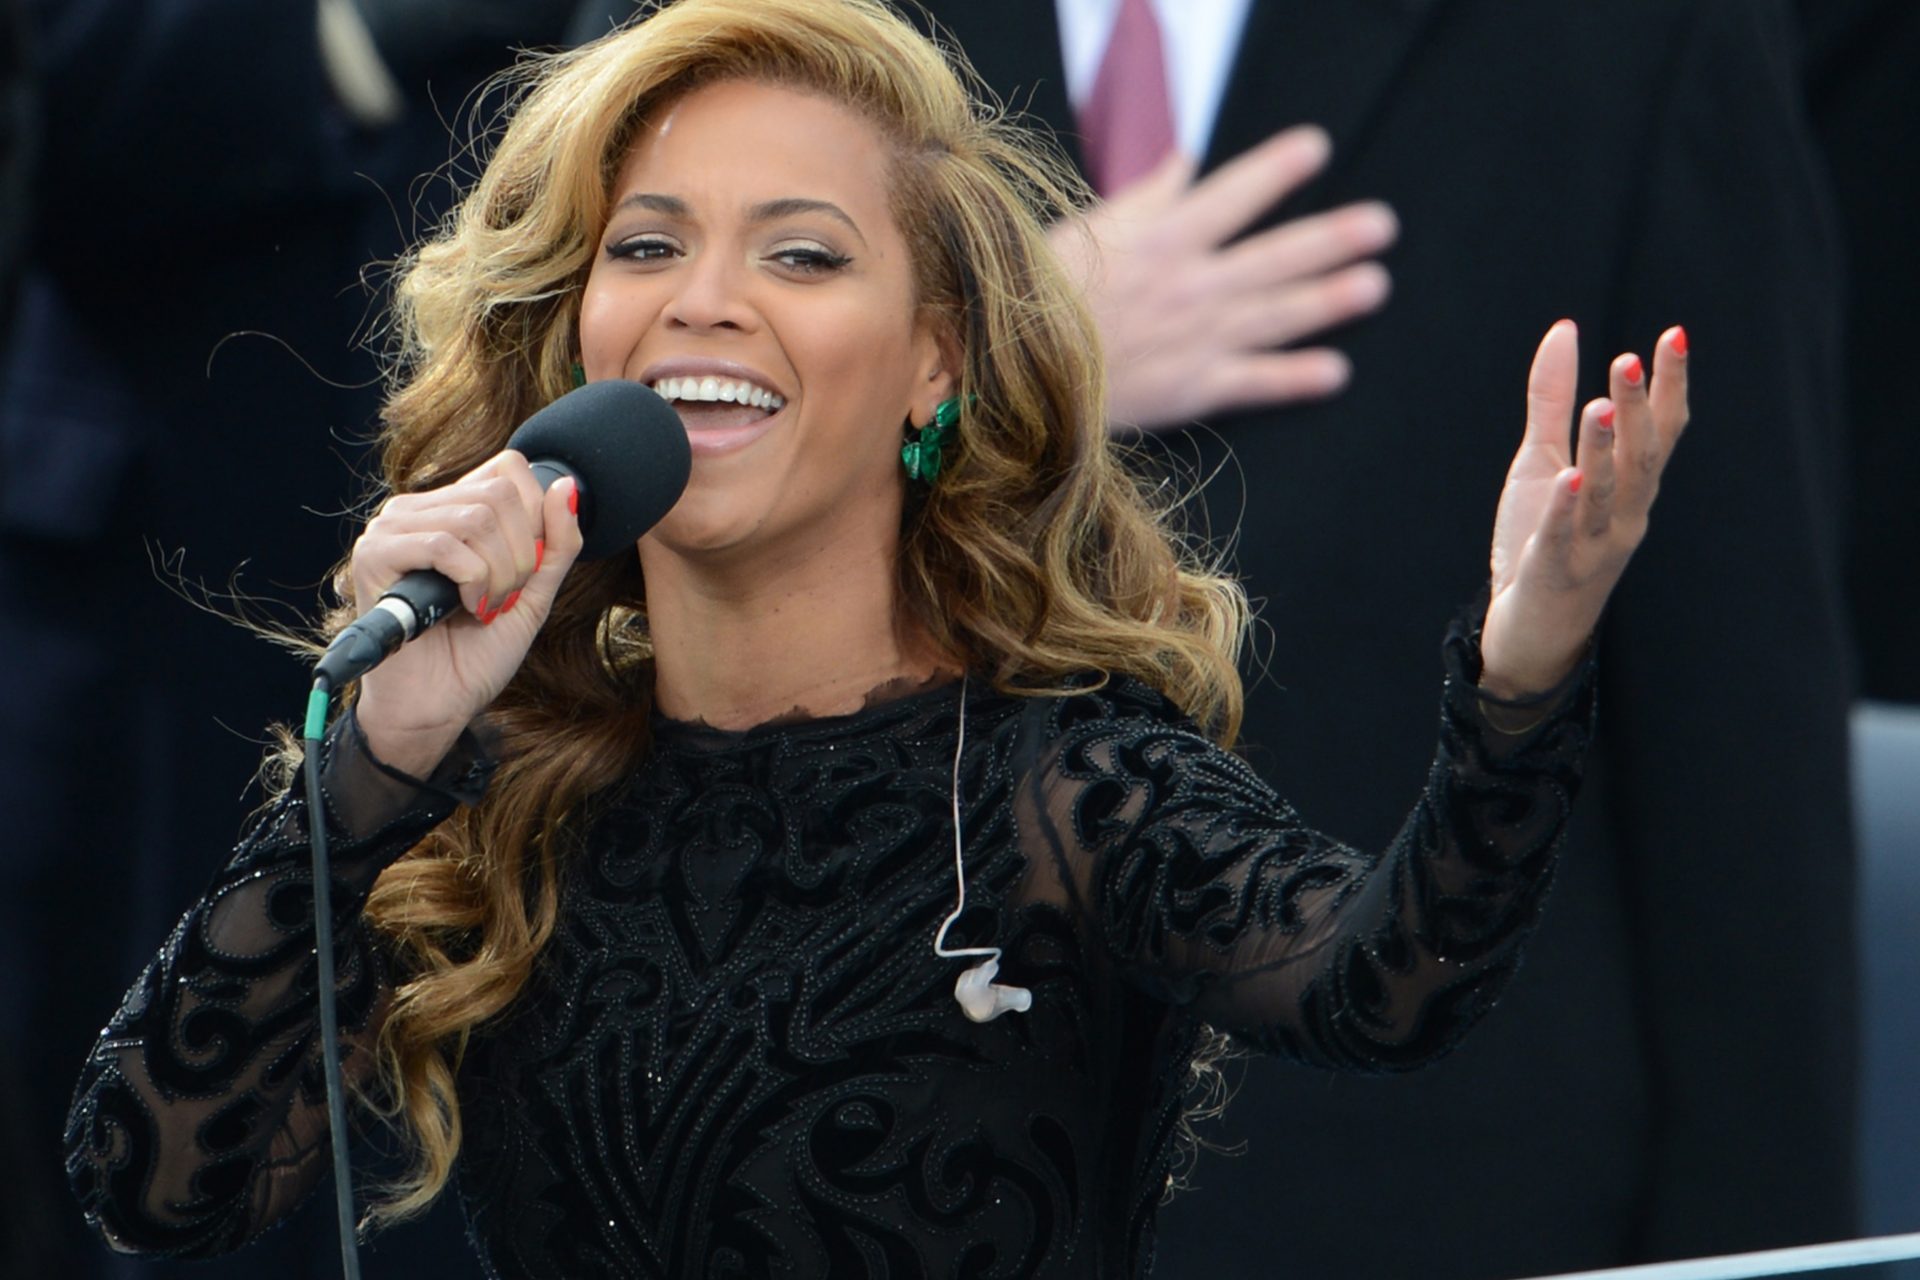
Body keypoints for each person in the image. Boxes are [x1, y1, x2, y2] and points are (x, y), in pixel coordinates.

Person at [63, 0, 1687, 1275]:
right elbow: (151, 1182)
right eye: (646, 246)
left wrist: (1523, 671)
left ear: (933, 367)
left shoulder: (1061, 782)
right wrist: (375, 765)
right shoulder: (503, 793)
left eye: (801, 252)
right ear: (575, 340)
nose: (704, 299)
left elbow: (1387, 983)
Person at [908, 2, 1858, 1274]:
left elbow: (1741, 739)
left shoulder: (1643, 36)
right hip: (887, 1166)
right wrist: (1012, 350)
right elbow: (597, 450)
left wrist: (1767, 1250)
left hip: (1422, 1193)